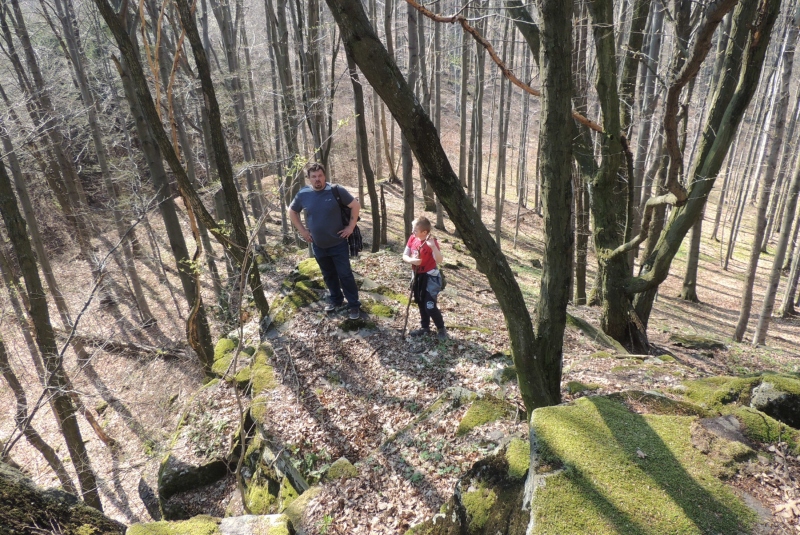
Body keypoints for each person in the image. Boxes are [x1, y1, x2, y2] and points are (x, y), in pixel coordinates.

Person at [289, 163, 361, 320]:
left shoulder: (336, 190)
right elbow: (292, 211)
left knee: (345, 275)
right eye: (313, 177)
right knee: (328, 275)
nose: (317, 179)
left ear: (324, 176)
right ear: (309, 178)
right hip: (318, 245)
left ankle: (354, 305)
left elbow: (355, 205)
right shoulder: (303, 194)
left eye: (320, 176)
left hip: (338, 244)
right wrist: (303, 231)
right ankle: (336, 299)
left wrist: (350, 227)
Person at [403, 216, 447, 339]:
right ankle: (425, 327)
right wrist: (412, 260)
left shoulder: (431, 242)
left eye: (415, 230)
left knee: (429, 304)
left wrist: (433, 247)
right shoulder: (412, 238)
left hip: (430, 277)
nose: (413, 232)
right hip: (417, 276)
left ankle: (441, 329)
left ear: (424, 232)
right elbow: (405, 255)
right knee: (420, 302)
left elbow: (439, 260)